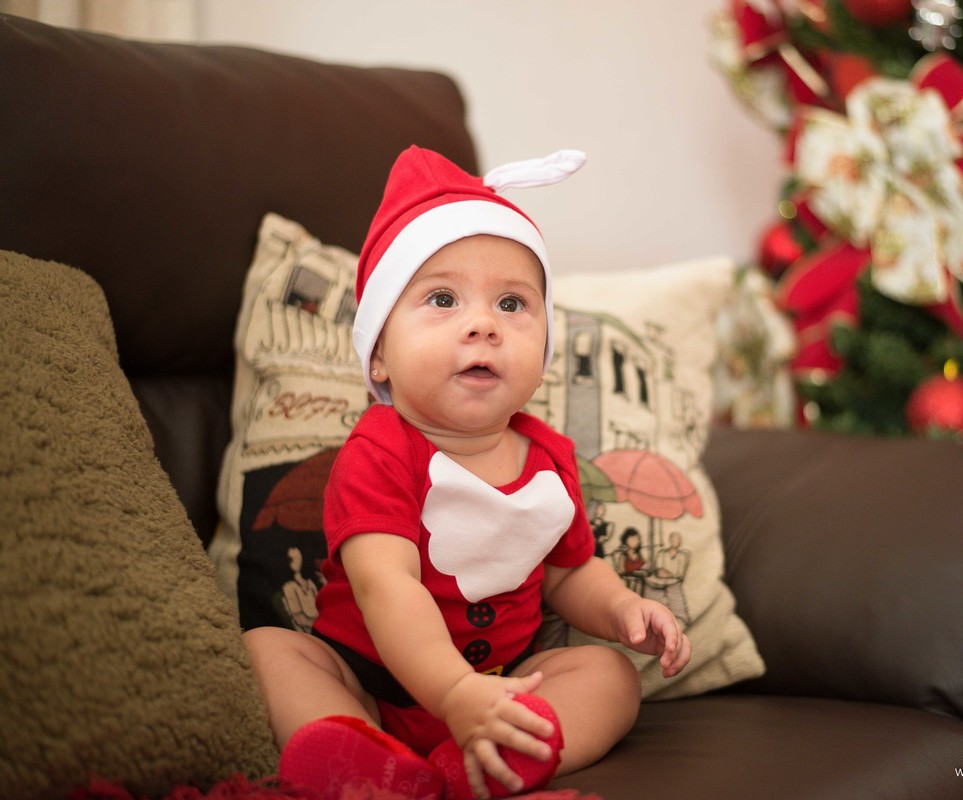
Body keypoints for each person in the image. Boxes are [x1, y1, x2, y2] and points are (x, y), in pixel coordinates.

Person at [243, 146, 691, 800]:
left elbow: (568, 573)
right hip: (370, 679)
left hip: (505, 685)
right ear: (379, 359)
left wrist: (623, 606)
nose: (483, 325)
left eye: (513, 305)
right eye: (443, 299)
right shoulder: (380, 451)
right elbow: (385, 587)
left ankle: (481, 762)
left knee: (609, 675)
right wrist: (453, 691)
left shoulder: (550, 460)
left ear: (543, 353)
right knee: (271, 651)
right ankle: (355, 753)